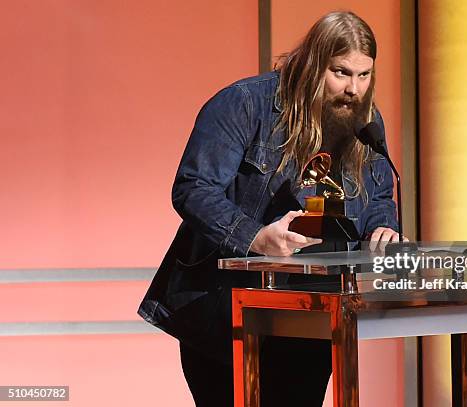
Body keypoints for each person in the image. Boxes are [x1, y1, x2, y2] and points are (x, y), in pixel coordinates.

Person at [138, 11, 400, 407]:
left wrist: (383, 228)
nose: (353, 88)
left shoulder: (364, 119)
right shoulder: (244, 104)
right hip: (227, 313)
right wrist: (255, 237)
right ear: (314, 63)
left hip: (311, 314)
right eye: (341, 73)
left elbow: (378, 197)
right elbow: (194, 189)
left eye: (364, 76)